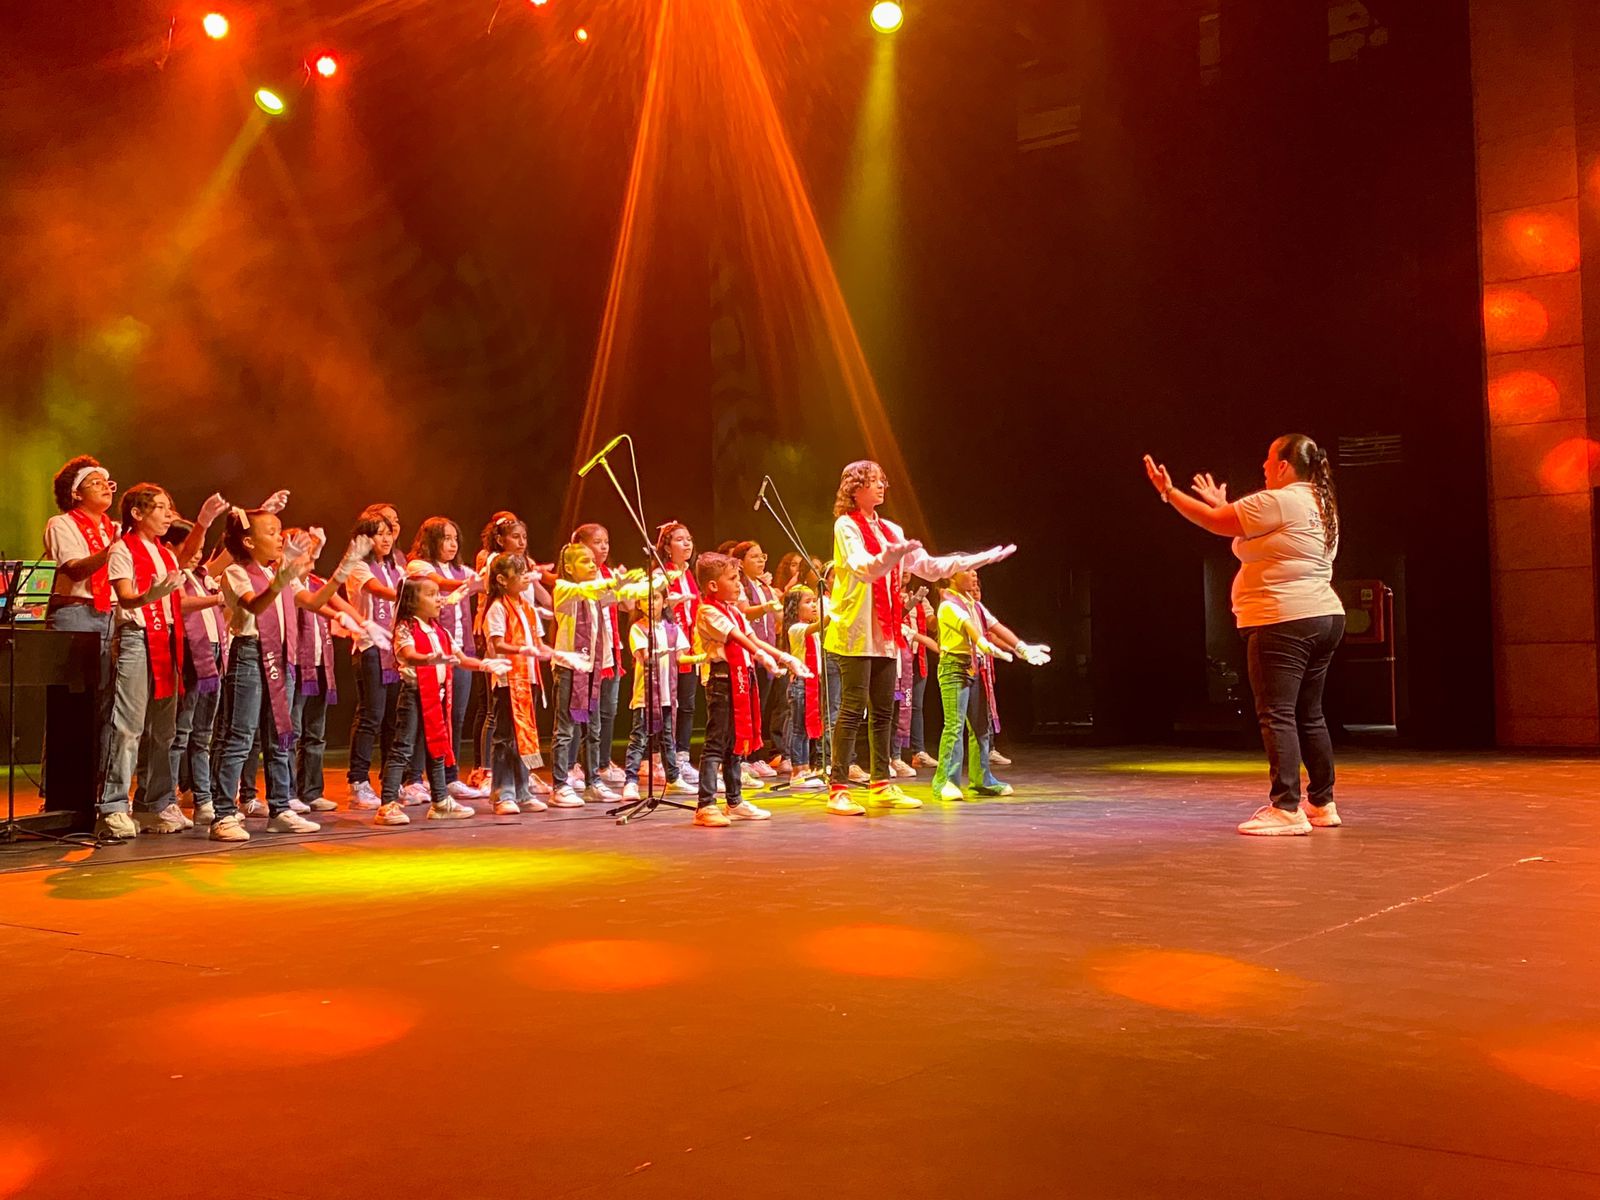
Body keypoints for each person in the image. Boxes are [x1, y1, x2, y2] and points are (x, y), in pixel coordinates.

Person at [1143, 433, 1346, 835]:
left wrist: (1169, 492)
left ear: (1284, 465)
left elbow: (1214, 523)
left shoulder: (1277, 500)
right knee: (1309, 714)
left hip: (1283, 618)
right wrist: (1222, 506)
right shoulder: (1321, 504)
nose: (1264, 466)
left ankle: (1286, 808)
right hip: (1322, 615)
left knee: (1278, 713)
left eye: (1269, 459)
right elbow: (1242, 524)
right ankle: (1322, 802)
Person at [824, 460, 1015, 816]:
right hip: (856, 631)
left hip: (885, 632)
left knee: (884, 710)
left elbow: (929, 567)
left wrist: (978, 560)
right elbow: (864, 569)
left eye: (883, 481)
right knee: (851, 708)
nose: (882, 486)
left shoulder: (892, 530)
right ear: (855, 488)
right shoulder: (846, 526)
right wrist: (893, 554)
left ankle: (881, 784)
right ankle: (838, 788)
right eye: (874, 481)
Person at [208, 511, 366, 843]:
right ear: (248, 541)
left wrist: (345, 567)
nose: (280, 538)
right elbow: (255, 606)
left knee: (281, 734)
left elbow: (314, 600)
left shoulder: (279, 574)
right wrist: (281, 577)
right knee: (240, 737)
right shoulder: (236, 572)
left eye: (280, 531)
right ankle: (223, 815)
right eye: (271, 532)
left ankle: (280, 809)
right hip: (250, 655)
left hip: (282, 656)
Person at [95, 484, 227, 840]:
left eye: (170, 508)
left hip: (168, 639)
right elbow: (126, 596)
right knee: (128, 726)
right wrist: (149, 595)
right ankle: (113, 806)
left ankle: (152, 804)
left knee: (163, 729)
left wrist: (204, 521)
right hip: (137, 639)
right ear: (137, 514)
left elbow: (190, 558)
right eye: (161, 508)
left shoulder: (165, 554)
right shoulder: (123, 549)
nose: (169, 515)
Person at [374, 577, 510, 826]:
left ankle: (440, 801)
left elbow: (461, 659)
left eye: (439, 594)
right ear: (412, 601)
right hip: (413, 694)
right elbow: (409, 654)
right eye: (431, 594)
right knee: (403, 748)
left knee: (437, 748)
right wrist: (430, 659)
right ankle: (388, 803)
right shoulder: (406, 628)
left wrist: (486, 665)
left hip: (436, 695)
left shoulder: (440, 631)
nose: (439, 599)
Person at [690, 552, 808, 827]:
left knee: (735, 744)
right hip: (722, 680)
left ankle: (734, 801)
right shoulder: (708, 611)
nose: (738, 584)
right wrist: (759, 655)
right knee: (716, 743)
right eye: (732, 579)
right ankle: (705, 804)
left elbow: (752, 637)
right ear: (713, 586)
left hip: (741, 678)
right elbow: (737, 638)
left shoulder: (733, 611)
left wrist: (784, 657)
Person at [929, 569, 1050, 802]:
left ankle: (982, 780)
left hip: (975, 667)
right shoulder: (949, 605)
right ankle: (945, 782)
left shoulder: (975, 605)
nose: (974, 574)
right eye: (968, 570)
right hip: (955, 668)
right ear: (952, 576)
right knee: (954, 726)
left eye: (975, 570)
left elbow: (996, 626)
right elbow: (971, 630)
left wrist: (1022, 648)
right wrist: (985, 646)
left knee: (981, 727)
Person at [549, 542, 645, 807]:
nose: (593, 565)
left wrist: (640, 583)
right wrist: (613, 582)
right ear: (569, 567)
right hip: (570, 669)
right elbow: (588, 590)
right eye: (585, 561)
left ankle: (593, 782)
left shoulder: (596, 592)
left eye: (594, 561)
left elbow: (621, 595)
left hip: (593, 668)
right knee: (565, 730)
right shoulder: (564, 589)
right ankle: (560, 785)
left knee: (594, 729)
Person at [405, 517, 488, 802]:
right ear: (431, 541)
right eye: (445, 538)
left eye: (455, 539)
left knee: (455, 715)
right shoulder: (419, 566)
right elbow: (440, 583)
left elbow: (484, 585)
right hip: (429, 649)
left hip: (459, 650)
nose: (452, 544)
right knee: (427, 715)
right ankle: (414, 778)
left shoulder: (461, 570)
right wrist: (469, 584)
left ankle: (449, 777)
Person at [479, 552, 561, 815]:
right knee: (505, 738)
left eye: (527, 572)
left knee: (524, 735)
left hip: (529, 678)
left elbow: (538, 644)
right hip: (508, 680)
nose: (527, 577)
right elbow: (497, 643)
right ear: (502, 580)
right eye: (520, 573)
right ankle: (503, 793)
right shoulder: (497, 608)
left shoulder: (527, 607)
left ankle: (522, 791)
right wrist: (522, 650)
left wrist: (559, 654)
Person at [342, 507, 403, 810]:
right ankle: (358, 782)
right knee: (371, 716)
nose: (386, 539)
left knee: (393, 718)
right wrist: (412, 593)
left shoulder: (394, 567)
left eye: (388, 533)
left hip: (394, 650)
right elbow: (379, 591)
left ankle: (392, 781)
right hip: (369, 648)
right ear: (365, 539)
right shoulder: (357, 565)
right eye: (379, 534)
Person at [620, 586, 701, 802]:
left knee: (667, 738)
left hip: (667, 694)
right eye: (644, 599)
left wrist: (701, 657)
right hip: (645, 695)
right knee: (639, 738)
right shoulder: (638, 628)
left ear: (664, 602)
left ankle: (673, 778)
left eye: (655, 598)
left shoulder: (672, 629)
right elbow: (645, 656)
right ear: (639, 604)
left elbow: (681, 658)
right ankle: (630, 781)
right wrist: (665, 651)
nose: (650, 602)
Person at [731, 540, 784, 780]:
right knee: (748, 707)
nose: (761, 560)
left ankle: (755, 755)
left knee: (761, 708)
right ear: (741, 563)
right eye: (754, 556)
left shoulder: (764, 586)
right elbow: (743, 611)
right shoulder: (740, 585)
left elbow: (779, 615)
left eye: (762, 556)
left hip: (767, 653)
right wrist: (766, 607)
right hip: (749, 654)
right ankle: (742, 758)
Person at [655, 520, 701, 786]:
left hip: (690, 646)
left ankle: (683, 757)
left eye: (689, 539)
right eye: (680, 539)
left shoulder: (690, 574)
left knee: (687, 704)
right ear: (666, 547)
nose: (687, 544)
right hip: (668, 646)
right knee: (667, 704)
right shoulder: (661, 574)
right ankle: (665, 759)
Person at [782, 584, 828, 790]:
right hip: (800, 684)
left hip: (812, 683)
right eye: (808, 602)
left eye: (814, 601)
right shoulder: (796, 628)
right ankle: (797, 771)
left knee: (807, 729)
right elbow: (820, 625)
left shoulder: (812, 630)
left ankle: (806, 768)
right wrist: (837, 610)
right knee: (799, 729)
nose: (814, 606)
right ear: (795, 607)